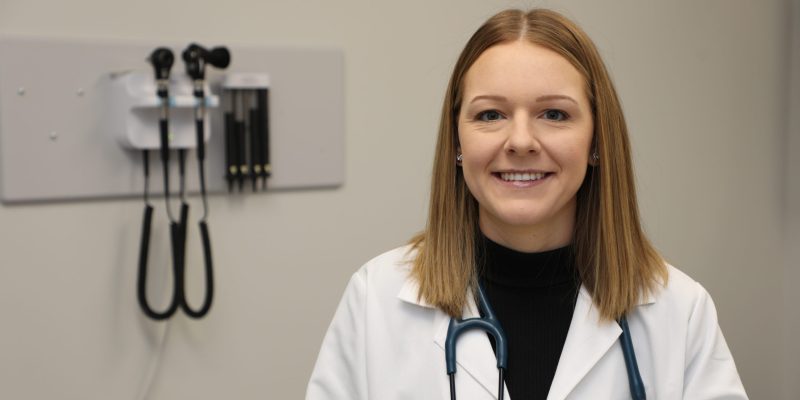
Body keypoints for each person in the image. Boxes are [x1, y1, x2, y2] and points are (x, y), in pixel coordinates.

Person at [306, 8, 747, 400]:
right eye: (490, 115)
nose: (520, 141)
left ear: (596, 141)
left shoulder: (679, 312)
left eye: (554, 114)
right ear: (457, 143)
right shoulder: (376, 302)